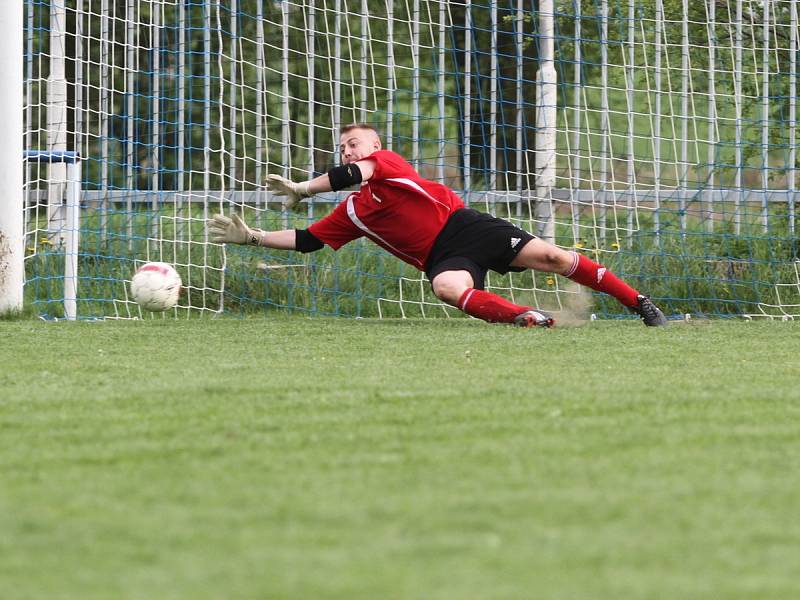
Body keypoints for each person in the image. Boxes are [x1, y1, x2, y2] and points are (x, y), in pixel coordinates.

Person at [208, 124, 667, 327]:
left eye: (354, 143)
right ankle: (530, 319)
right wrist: (252, 236)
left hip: (467, 227)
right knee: (446, 288)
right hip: (444, 256)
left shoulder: (384, 163)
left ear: (374, 146)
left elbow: (354, 174)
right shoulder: (352, 212)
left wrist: (303, 189)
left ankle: (638, 302)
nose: (348, 151)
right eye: (343, 146)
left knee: (554, 257)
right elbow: (308, 241)